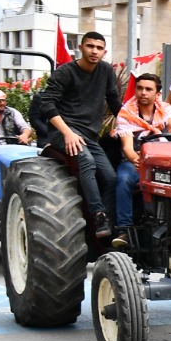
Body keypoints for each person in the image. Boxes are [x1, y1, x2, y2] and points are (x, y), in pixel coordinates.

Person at [29, 31, 122, 238]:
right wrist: (67, 132)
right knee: (87, 161)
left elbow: (114, 101)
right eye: (90, 46)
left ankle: (108, 225)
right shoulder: (65, 72)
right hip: (64, 131)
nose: (94, 51)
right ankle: (97, 215)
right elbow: (47, 104)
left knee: (111, 177)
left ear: (104, 52)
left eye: (99, 48)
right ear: (80, 48)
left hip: (89, 135)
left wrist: (128, 126)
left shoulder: (106, 70)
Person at [112, 72, 171, 247]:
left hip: (164, 160)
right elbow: (127, 148)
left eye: (148, 89)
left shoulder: (166, 108)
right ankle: (124, 230)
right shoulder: (125, 113)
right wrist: (140, 162)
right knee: (123, 180)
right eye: (139, 88)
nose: (143, 92)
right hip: (136, 161)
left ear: (157, 94)